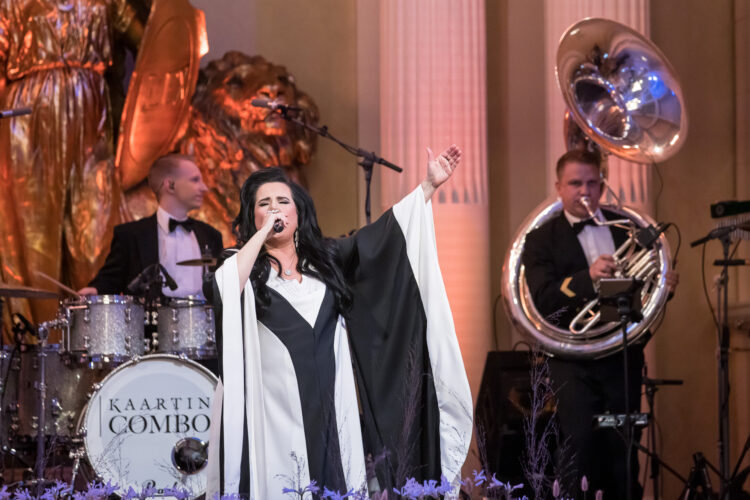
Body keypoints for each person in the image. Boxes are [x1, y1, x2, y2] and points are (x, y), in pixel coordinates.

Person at [205, 147, 473, 499]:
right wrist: (261, 234)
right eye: (264, 204)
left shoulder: (326, 260)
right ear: (251, 216)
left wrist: (427, 186)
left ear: (299, 211)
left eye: (283, 201)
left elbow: (382, 239)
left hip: (331, 406)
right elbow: (225, 286)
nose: (274, 209)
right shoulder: (243, 267)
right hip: (274, 412)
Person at [522, 149, 678, 499]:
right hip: (571, 361)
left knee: (625, 453)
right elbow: (544, 298)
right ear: (559, 186)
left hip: (622, 357)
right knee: (579, 449)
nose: (585, 191)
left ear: (603, 186)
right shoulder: (540, 240)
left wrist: (662, 290)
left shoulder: (630, 230)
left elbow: (642, 302)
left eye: (593, 183)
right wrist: (586, 278)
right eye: (575, 183)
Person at [0, 0, 144, 337]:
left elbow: (153, 44)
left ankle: (100, 342)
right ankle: (37, 342)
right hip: (26, 117)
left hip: (91, 115)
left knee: (95, 234)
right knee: (33, 237)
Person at [80, 154, 223, 297]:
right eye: (195, 180)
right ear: (170, 185)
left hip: (204, 319)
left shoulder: (211, 235)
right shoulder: (130, 236)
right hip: (149, 318)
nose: (204, 188)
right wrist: (95, 291)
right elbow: (110, 281)